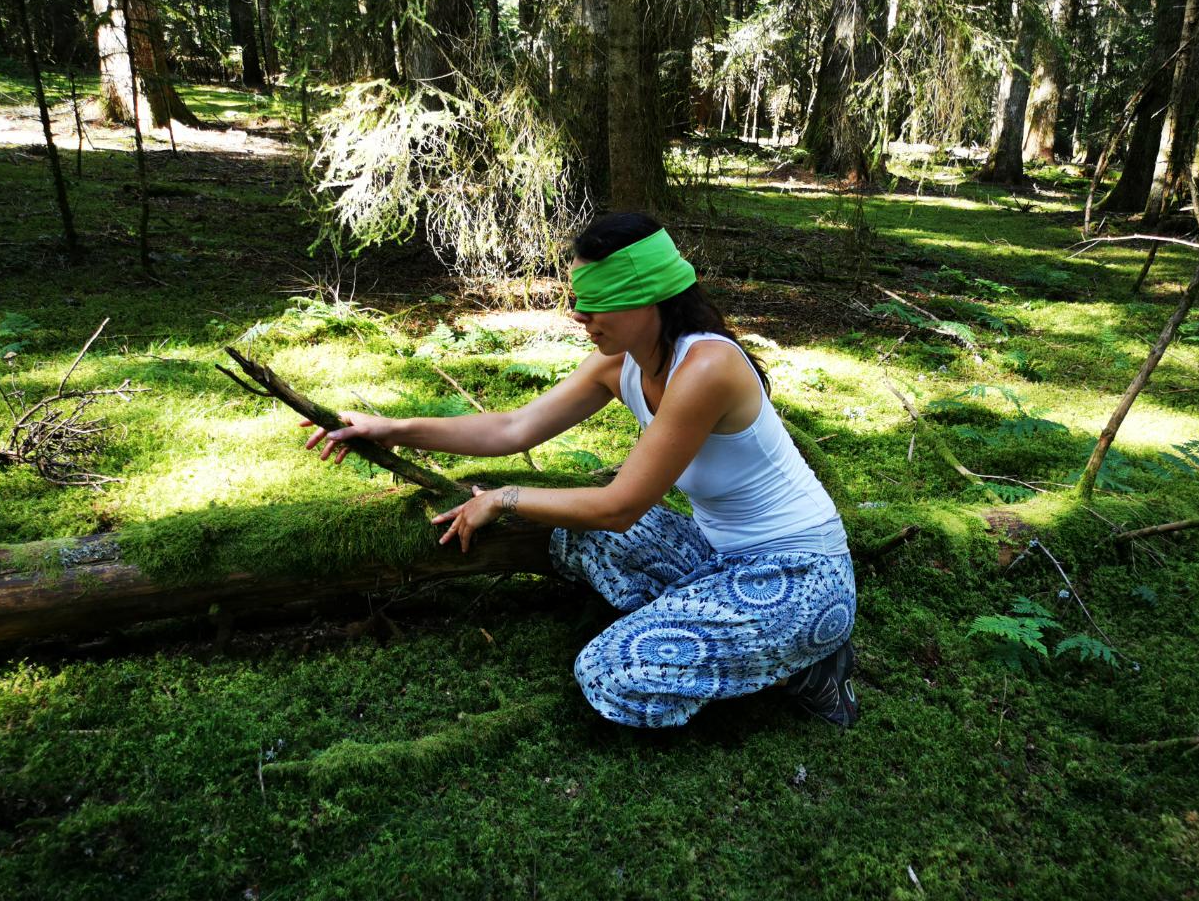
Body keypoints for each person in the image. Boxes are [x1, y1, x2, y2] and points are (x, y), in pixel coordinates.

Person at [301, 213, 858, 730]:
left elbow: (619, 508)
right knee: (570, 533)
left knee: (608, 673)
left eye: (596, 301)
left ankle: (806, 667)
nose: (578, 314)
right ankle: (725, 630)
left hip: (801, 573)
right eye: (577, 298)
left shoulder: (708, 367)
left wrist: (503, 498)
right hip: (717, 559)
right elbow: (511, 429)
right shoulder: (621, 365)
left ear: (648, 297)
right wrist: (388, 427)